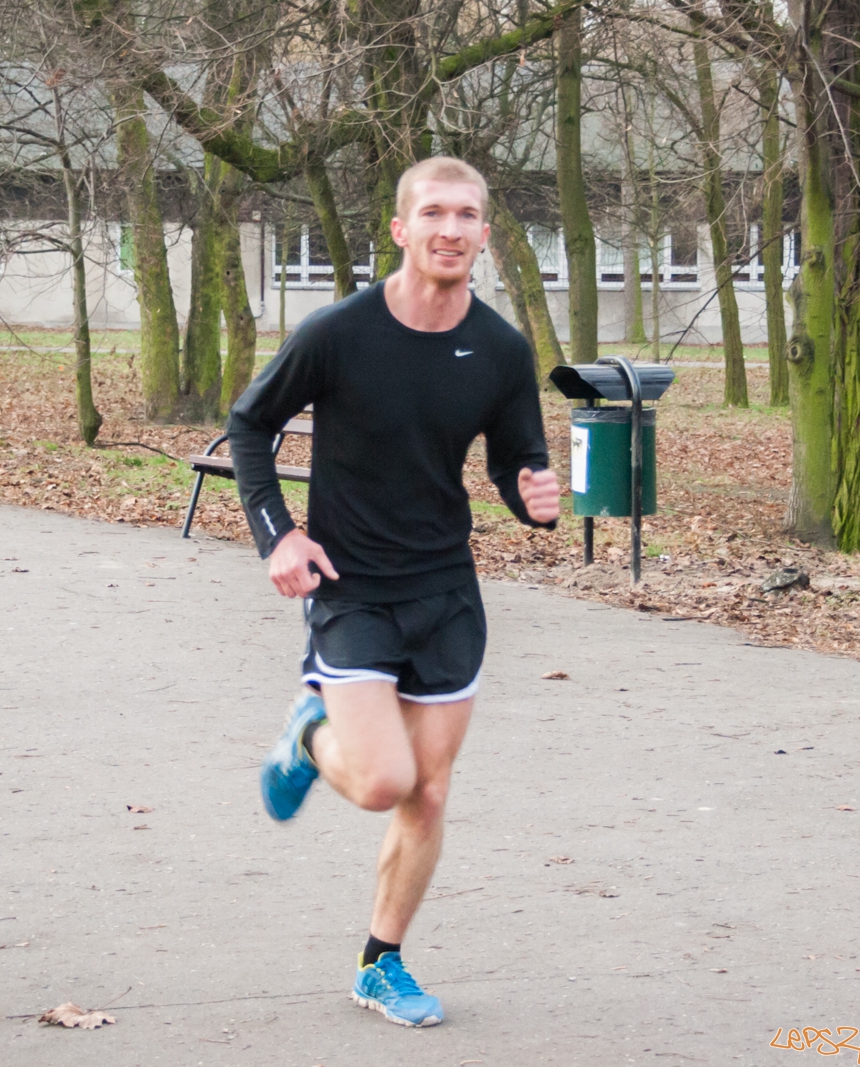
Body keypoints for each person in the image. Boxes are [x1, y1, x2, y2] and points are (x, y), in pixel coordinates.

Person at [229, 157, 561, 1027]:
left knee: (432, 791)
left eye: (468, 216)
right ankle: (310, 732)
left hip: (445, 588)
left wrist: (531, 492)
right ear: (401, 228)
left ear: (486, 235)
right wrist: (279, 533)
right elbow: (250, 424)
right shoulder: (338, 332)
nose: (452, 229)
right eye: (435, 213)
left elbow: (511, 453)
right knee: (382, 782)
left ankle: (381, 962)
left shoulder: (500, 347)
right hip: (352, 585)